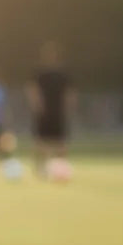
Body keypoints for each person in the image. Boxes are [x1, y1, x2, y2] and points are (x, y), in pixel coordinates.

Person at [26, 42, 76, 170]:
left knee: (61, 141)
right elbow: (33, 90)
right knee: (41, 141)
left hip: (58, 112)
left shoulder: (63, 74)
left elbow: (69, 93)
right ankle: (40, 168)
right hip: (44, 113)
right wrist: (37, 106)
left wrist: (68, 108)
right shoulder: (39, 73)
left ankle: (61, 168)